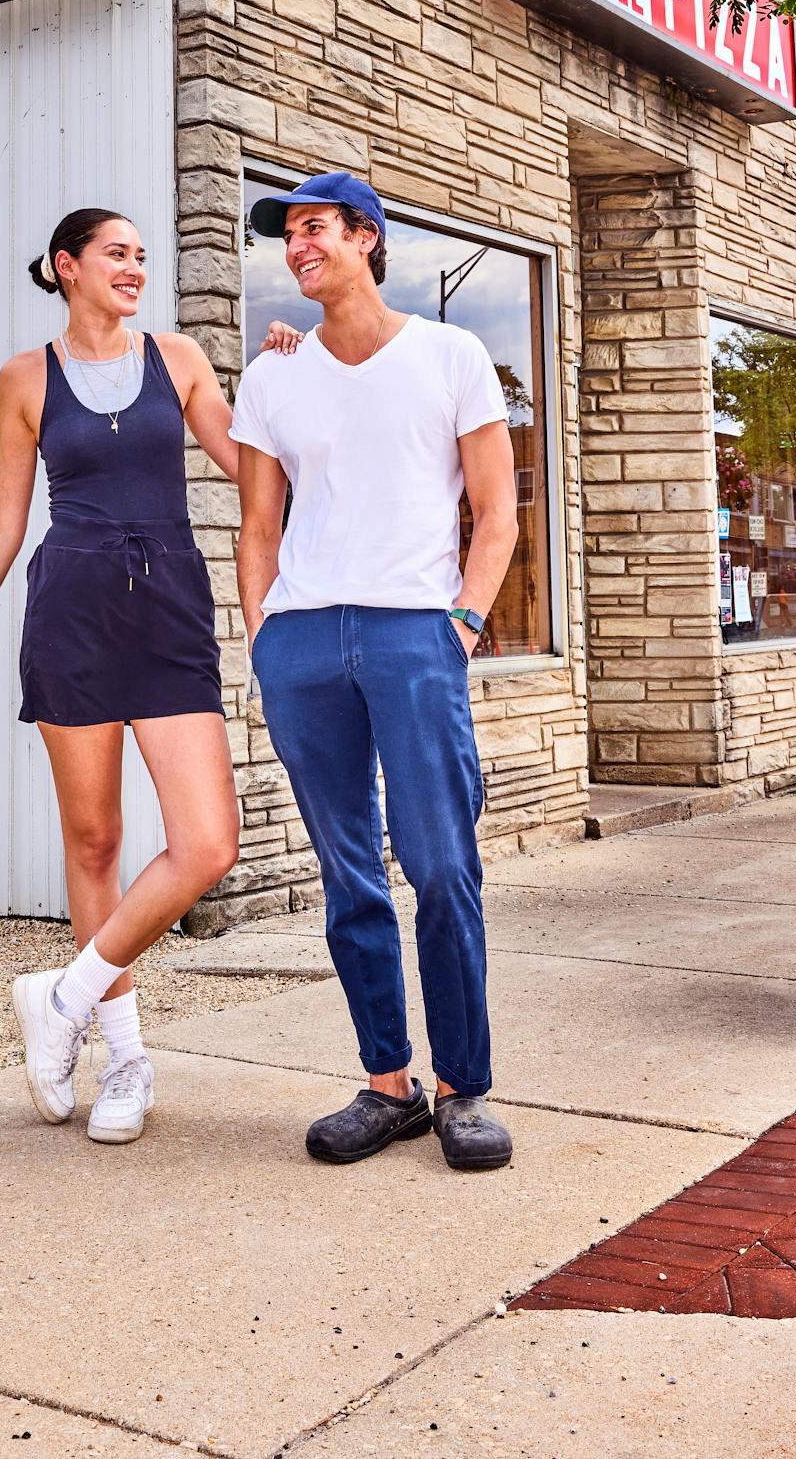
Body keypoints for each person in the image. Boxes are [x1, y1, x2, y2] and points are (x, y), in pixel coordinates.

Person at [0, 207, 297, 1145]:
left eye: (141, 256)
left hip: (168, 607)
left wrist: (289, 376)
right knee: (94, 841)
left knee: (207, 843)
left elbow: (252, 463)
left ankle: (61, 997)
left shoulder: (181, 358)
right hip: (73, 608)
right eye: (115, 253)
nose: (133, 267)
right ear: (65, 266)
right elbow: (4, 521)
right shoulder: (23, 378)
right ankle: (124, 1056)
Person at [232, 171, 520, 1171]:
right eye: (287, 236)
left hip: (413, 636)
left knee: (439, 862)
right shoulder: (271, 374)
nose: (296, 247)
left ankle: (461, 1088)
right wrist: (264, 628)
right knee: (348, 871)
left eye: (313, 229)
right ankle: (386, 1081)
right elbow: (256, 518)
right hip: (304, 642)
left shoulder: (450, 353)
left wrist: (461, 624)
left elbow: (497, 510)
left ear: (365, 237)